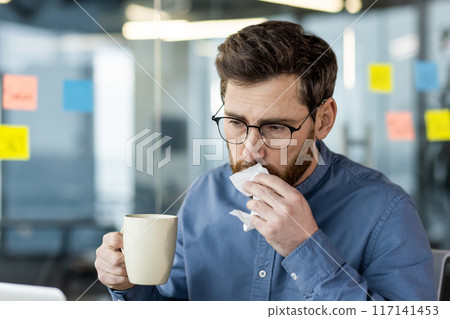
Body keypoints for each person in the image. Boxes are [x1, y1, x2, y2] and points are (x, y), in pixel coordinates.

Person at [95, 20, 436, 301]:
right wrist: (129, 286)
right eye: (235, 123)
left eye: (275, 127)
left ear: (324, 120)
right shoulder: (204, 196)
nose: (250, 149)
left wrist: (304, 246)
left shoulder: (385, 210)